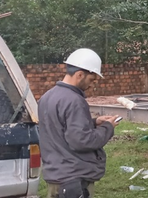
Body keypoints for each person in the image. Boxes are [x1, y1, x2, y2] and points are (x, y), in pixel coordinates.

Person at [38, 48, 120, 198]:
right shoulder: (74, 100)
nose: (91, 85)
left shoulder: (47, 97)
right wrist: (108, 127)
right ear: (80, 74)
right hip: (73, 181)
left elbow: (58, 127)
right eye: (91, 79)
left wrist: (94, 122)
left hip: (56, 177)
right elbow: (82, 141)